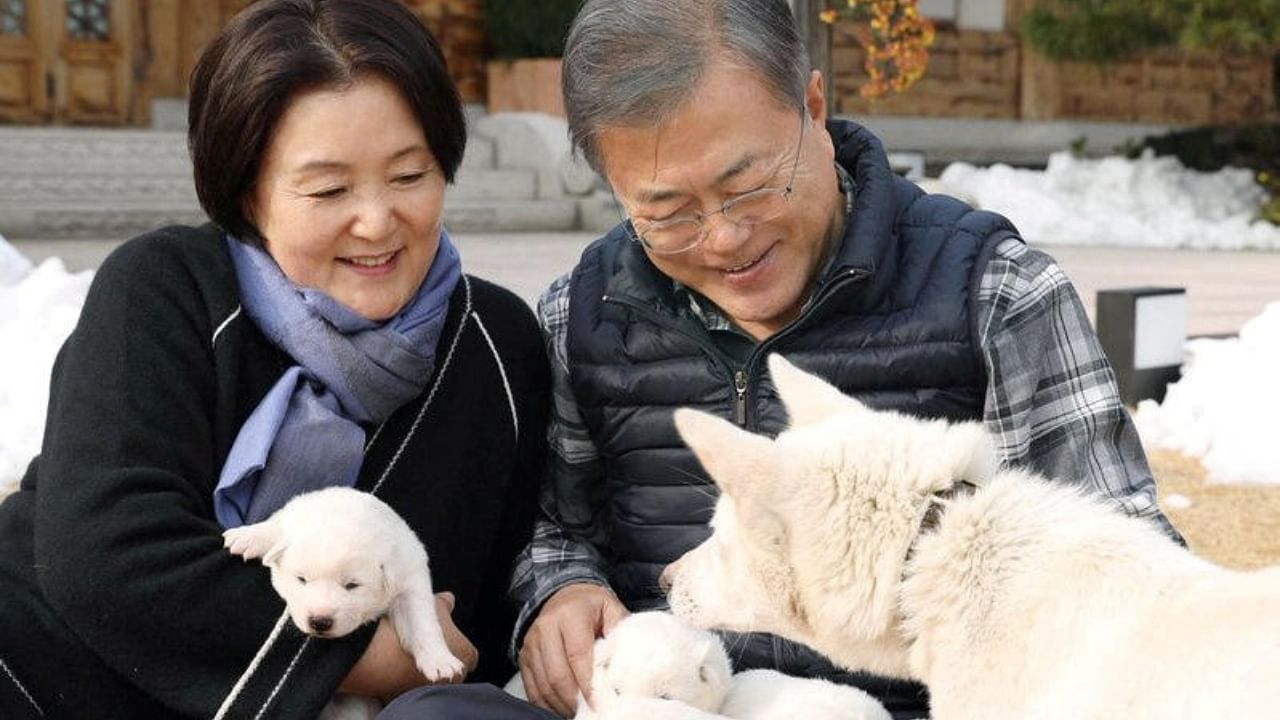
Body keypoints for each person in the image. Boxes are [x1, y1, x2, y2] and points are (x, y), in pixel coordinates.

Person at [508, 1, 1184, 719]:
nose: (725, 239)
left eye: (750, 185)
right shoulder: (582, 313)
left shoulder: (994, 294)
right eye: (669, 213)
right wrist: (559, 588)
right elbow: (554, 526)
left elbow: (1131, 580)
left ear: (814, 108)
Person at [0, 1, 551, 718]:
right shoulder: (165, 287)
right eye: (328, 190)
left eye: (410, 177)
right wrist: (363, 656)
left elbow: (506, 584)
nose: (378, 221)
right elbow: (107, 553)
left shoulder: (496, 342)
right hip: (50, 679)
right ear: (247, 192)